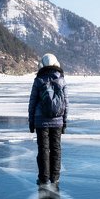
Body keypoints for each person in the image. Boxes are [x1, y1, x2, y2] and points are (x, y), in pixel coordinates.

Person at [28, 53, 68, 188]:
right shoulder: (61, 79)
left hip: (41, 121)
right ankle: (55, 177)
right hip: (57, 121)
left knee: (43, 149)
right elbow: (66, 103)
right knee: (56, 148)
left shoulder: (39, 80)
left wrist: (31, 122)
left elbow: (32, 102)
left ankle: (44, 178)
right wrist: (64, 122)